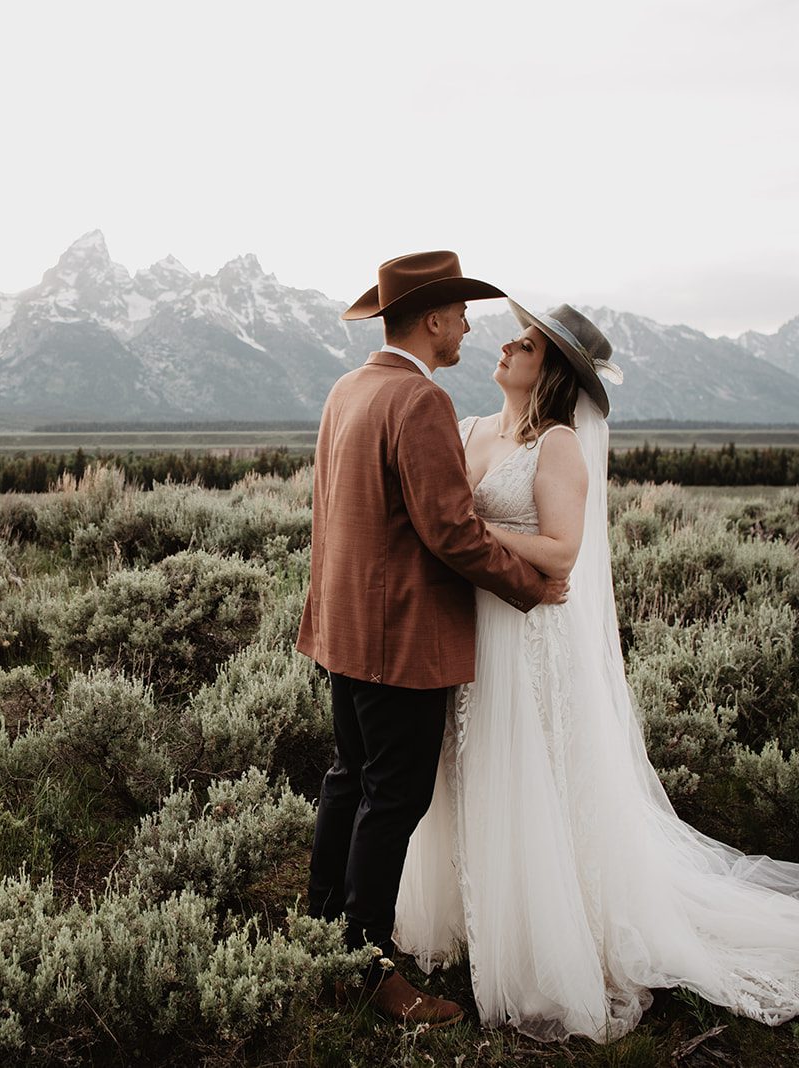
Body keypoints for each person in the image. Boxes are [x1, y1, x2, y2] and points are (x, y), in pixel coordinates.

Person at [392, 301, 799, 1042]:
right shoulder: (468, 431)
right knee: (468, 769)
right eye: (517, 336)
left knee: (530, 775)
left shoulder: (556, 447)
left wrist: (466, 531)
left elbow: (561, 554)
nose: (508, 344)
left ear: (549, 371)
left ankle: (546, 939)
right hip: (471, 631)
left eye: (527, 343)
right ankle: (473, 915)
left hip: (527, 636)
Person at [297, 251, 566, 1025]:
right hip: (400, 638)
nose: (470, 326)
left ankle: (324, 935)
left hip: (344, 628)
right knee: (393, 797)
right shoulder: (419, 402)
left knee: (350, 779)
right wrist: (533, 586)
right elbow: (449, 531)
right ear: (434, 320)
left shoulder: (347, 390)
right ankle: (367, 970)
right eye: (460, 313)